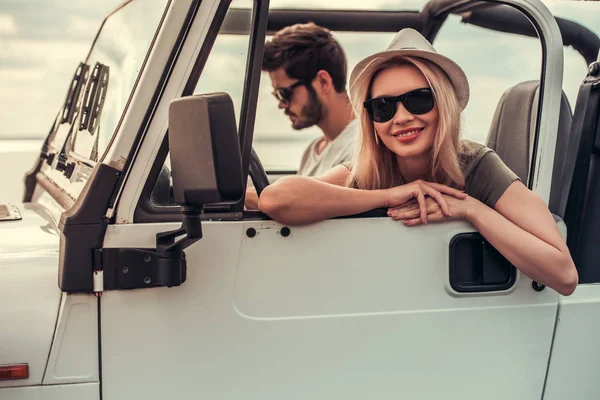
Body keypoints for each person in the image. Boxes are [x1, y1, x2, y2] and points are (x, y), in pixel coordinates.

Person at [258, 28, 578, 296]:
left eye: (419, 100)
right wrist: (389, 195)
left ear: (444, 105)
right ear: (371, 120)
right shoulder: (371, 169)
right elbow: (276, 198)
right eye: (384, 107)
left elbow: (564, 275)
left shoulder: (476, 165)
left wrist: (470, 210)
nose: (402, 117)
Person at [245, 22, 357, 209]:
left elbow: (298, 200)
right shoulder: (315, 149)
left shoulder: (361, 145)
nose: (281, 104)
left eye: (284, 93)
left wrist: (252, 195)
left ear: (322, 82)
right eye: (277, 95)